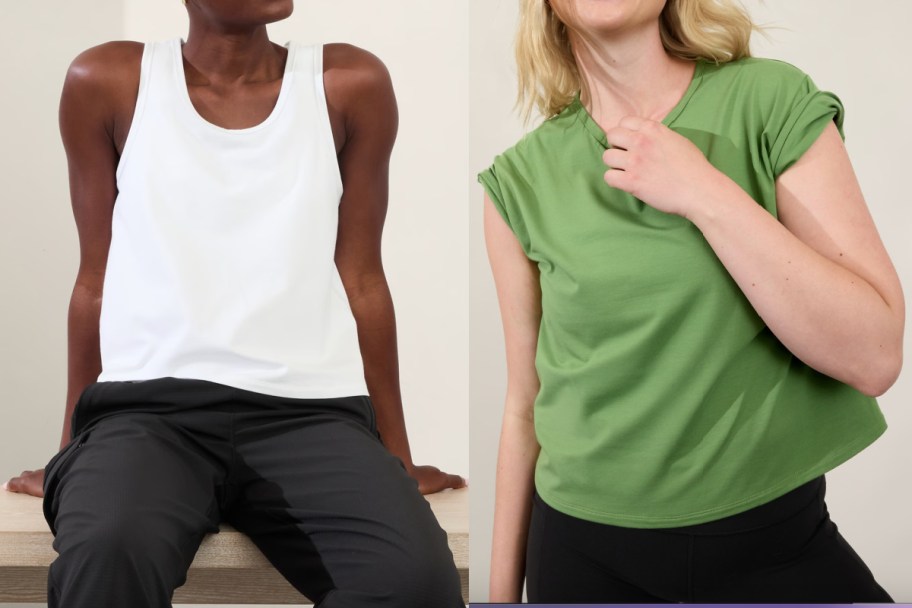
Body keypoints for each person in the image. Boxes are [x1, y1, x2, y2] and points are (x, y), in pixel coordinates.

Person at [2, 1, 466, 606]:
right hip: (145, 418)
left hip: (309, 416)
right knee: (108, 555)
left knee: (415, 581)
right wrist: (71, 456)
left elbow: (362, 280)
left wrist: (395, 461)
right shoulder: (108, 81)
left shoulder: (348, 84)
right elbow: (96, 279)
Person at [479, 0, 904, 602]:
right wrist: (500, 597)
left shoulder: (770, 101)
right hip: (580, 556)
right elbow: (526, 406)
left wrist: (702, 191)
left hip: (776, 544)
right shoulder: (518, 183)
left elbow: (875, 354)